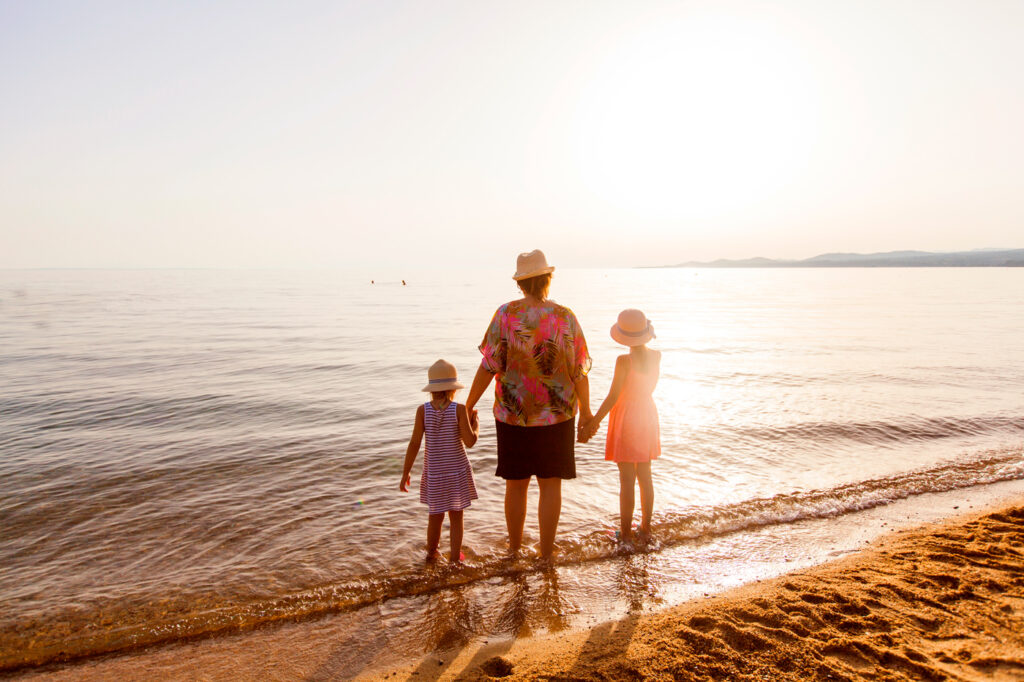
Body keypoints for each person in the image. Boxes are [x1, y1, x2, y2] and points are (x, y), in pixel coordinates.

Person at [465, 250, 592, 560]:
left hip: (514, 416)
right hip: (558, 416)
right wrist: (587, 412)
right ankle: (546, 554)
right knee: (551, 487)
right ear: (547, 279)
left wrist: (468, 405)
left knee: (516, 486)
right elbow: (579, 371)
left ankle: (514, 550)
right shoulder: (565, 317)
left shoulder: (507, 315)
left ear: (520, 284)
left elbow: (488, 365)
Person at [579, 309, 661, 545]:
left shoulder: (624, 361)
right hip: (647, 413)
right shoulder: (656, 356)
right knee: (645, 475)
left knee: (627, 479)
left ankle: (625, 535)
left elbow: (613, 396)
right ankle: (645, 529)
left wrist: (592, 423)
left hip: (627, 417)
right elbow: (648, 389)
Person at [400, 359, 480, 562]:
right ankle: (454, 558)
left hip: (435, 473)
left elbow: (414, 443)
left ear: (432, 389)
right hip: (457, 471)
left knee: (435, 516)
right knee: (456, 517)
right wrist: (476, 424)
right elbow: (470, 442)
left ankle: (432, 553)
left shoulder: (422, 411)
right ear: (452, 389)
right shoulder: (459, 409)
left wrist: (406, 472)